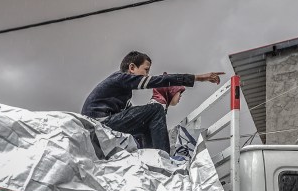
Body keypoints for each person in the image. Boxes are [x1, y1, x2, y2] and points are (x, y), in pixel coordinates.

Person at [80, 50, 222, 153]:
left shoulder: (122, 92)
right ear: (132, 68)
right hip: (98, 123)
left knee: (146, 122)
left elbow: (135, 116)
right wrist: (198, 78)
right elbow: (159, 80)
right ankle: (163, 157)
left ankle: (150, 157)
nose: (147, 74)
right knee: (155, 110)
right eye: (146, 70)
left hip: (100, 124)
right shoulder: (120, 78)